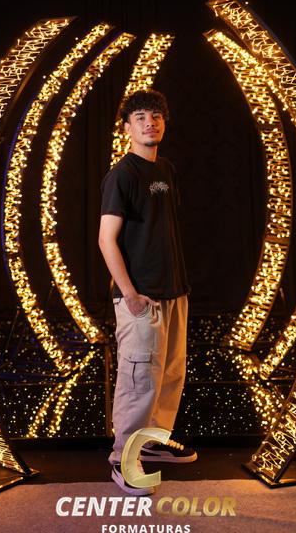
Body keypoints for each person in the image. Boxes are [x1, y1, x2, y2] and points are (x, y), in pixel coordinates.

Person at [98, 89, 197, 496]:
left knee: (169, 374)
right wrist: (131, 295)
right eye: (139, 117)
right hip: (142, 298)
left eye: (155, 116)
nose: (149, 123)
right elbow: (106, 240)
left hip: (174, 293)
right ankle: (124, 460)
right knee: (139, 380)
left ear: (164, 123)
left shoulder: (166, 170)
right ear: (127, 127)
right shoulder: (121, 175)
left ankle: (152, 442)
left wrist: (177, 290)